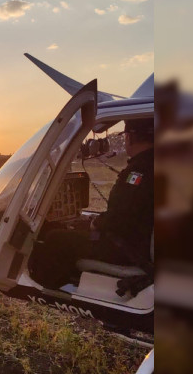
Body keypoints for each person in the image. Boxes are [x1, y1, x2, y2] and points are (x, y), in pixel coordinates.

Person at [29, 118, 155, 289]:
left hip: (127, 249)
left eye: (125, 136)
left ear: (130, 138)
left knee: (55, 237)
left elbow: (120, 218)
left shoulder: (139, 171)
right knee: (69, 230)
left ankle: (48, 286)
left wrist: (95, 223)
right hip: (137, 243)